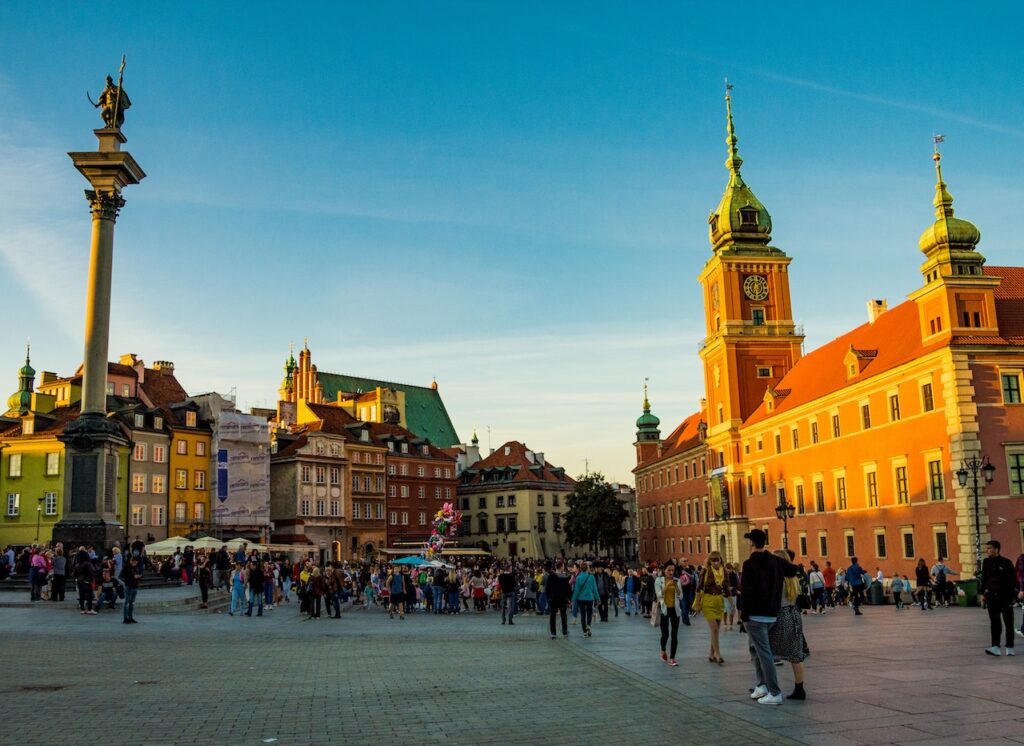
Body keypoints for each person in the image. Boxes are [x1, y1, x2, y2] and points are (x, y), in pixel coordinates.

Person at [741, 528, 799, 706]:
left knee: (764, 653)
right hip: (772, 614)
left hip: (755, 615)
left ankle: (774, 692)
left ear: (752, 543)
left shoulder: (749, 564)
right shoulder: (775, 560)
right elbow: (793, 570)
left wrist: (743, 616)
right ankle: (762, 686)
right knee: (756, 650)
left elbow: (747, 592)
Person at [769, 549, 810, 699]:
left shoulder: (777, 578)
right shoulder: (793, 578)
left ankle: (767, 686)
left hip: (781, 615)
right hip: (794, 614)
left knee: (768, 652)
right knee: (795, 655)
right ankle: (800, 688)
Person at [981, 540, 1019, 656]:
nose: (986, 550)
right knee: (995, 622)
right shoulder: (986, 562)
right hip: (991, 596)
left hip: (1005, 596)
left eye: (989, 548)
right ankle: (995, 646)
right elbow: (984, 578)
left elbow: (1013, 580)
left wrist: (1014, 596)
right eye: (986, 548)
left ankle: (1009, 647)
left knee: (1008, 622)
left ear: (996, 549)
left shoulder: (1006, 562)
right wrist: (983, 594)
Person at [697, 551, 730, 664]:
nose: (716, 563)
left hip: (719, 600)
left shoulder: (724, 571)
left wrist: (732, 604)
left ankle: (711, 654)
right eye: (713, 560)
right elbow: (699, 588)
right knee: (714, 629)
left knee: (715, 631)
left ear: (721, 560)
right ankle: (718, 654)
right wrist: (697, 604)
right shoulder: (705, 571)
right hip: (708, 600)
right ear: (709, 561)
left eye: (718, 560)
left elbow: (726, 588)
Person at [654, 562, 684, 666]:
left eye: (672, 570)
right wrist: (667, 586)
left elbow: (681, 597)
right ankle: (663, 649)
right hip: (664, 609)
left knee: (674, 634)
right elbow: (659, 595)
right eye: (669, 570)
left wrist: (676, 587)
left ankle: (672, 658)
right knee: (665, 634)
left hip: (675, 610)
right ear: (664, 571)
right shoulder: (659, 580)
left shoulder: (677, 580)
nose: (671, 572)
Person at [572, 562, 600, 638]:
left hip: (581, 599)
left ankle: (584, 631)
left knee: (583, 615)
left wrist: (573, 599)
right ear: (587, 569)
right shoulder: (591, 577)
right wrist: (598, 598)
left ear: (580, 569)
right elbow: (595, 589)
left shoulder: (578, 578)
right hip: (590, 598)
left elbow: (576, 590)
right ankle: (588, 626)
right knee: (589, 613)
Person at [545, 560, 572, 638]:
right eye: (563, 566)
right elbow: (568, 589)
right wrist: (569, 598)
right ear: (561, 567)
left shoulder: (551, 576)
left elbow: (548, 588)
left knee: (552, 616)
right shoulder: (565, 577)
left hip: (553, 599)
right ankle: (564, 631)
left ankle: (553, 633)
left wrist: (549, 597)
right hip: (562, 599)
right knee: (563, 615)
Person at [121, 555, 140, 624]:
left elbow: (139, 574)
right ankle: (125, 618)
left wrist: (138, 576)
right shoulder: (126, 567)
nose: (135, 564)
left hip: (135, 586)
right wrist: (132, 576)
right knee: (127, 603)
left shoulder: (135, 567)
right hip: (128, 586)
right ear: (131, 560)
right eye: (134, 562)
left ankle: (130, 617)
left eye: (136, 562)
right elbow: (123, 575)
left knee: (132, 603)